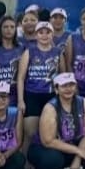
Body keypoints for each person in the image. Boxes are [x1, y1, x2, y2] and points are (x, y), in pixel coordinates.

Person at [18, 20, 70, 158]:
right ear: (36, 35)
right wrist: (21, 100)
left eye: (48, 32)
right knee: (30, 132)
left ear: (52, 35)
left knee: (50, 132)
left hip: (51, 96)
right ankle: (26, 160)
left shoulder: (58, 52)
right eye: (41, 32)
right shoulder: (29, 52)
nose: (44, 35)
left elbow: (63, 76)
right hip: (32, 94)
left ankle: (47, 160)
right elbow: (21, 78)